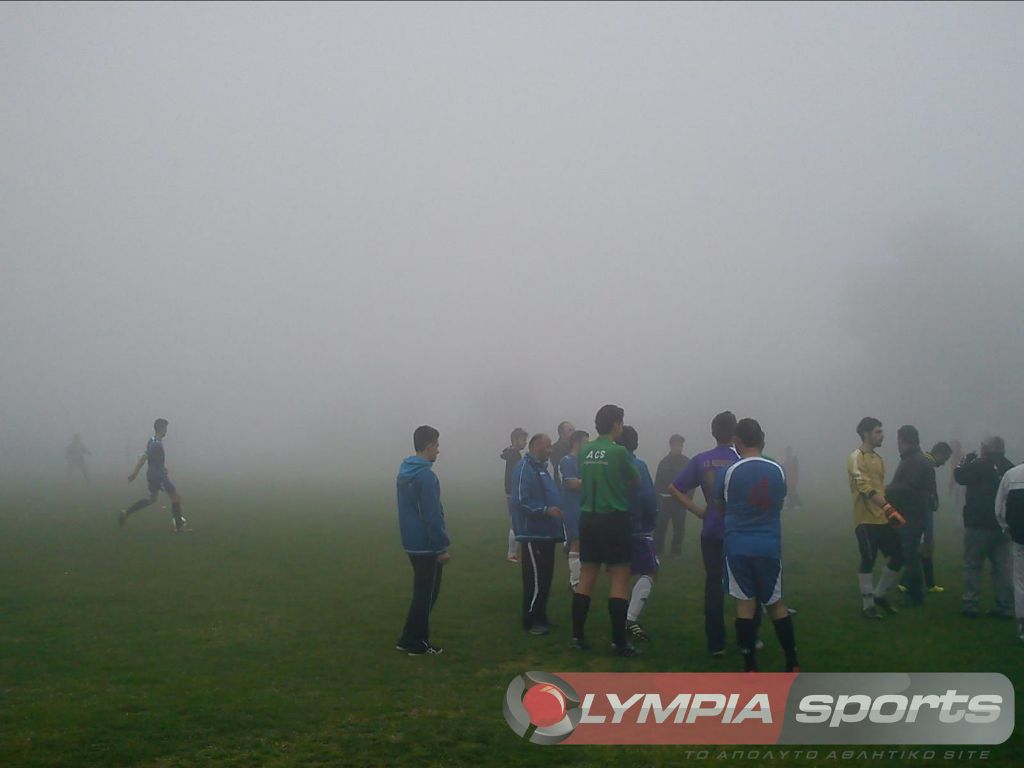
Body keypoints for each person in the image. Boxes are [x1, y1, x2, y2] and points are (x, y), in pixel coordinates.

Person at [715, 418, 799, 672]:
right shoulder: (777, 470)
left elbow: (720, 507)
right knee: (776, 604)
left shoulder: (729, 471)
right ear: (761, 439)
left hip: (738, 547)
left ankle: (750, 667)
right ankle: (792, 662)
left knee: (744, 605)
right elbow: (779, 502)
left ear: (737, 442)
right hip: (769, 546)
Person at [668, 411, 740, 657]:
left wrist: (699, 511)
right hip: (740, 531)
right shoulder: (743, 459)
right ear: (735, 433)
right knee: (745, 585)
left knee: (713, 585)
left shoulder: (701, 459)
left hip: (711, 530)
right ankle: (749, 638)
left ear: (713, 432)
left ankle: (716, 643)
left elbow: (674, 487)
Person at [572, 404, 641, 657]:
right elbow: (636, 479)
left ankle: (578, 636)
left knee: (587, 576)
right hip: (613, 519)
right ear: (616, 424)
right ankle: (619, 642)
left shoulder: (585, 451)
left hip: (588, 518)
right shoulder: (619, 452)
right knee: (619, 578)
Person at [395, 425, 449, 656]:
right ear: (428, 446)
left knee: (422, 591)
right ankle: (417, 643)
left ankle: (408, 637)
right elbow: (431, 514)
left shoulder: (405, 471)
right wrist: (441, 546)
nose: (438, 450)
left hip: (411, 540)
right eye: (436, 445)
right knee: (426, 594)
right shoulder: (425, 476)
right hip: (426, 544)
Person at [848, 417, 905, 620]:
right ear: (866, 434)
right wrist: (888, 507)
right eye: (878, 432)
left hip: (882, 519)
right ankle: (868, 605)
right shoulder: (856, 457)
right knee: (868, 560)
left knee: (899, 555)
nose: (882, 436)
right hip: (865, 520)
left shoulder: (878, 459)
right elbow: (863, 487)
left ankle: (879, 594)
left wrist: (890, 509)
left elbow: (880, 488)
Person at [954, 436, 1014, 619]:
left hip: (978, 523)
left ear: (986, 448)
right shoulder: (1009, 467)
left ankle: (970, 603)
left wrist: (964, 461)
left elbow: (960, 476)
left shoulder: (980, 464)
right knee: (1002, 567)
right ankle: (1006, 605)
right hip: (1003, 524)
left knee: (973, 564)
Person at [511, 433, 564, 635]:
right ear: (535, 446)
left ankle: (541, 616)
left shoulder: (541, 468)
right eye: (547, 446)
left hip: (547, 533)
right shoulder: (524, 468)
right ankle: (530, 620)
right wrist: (544, 510)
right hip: (533, 533)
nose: (550, 450)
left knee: (545, 577)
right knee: (534, 577)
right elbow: (520, 500)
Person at [884, 425, 936, 607]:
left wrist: (886, 490)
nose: (897, 445)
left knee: (911, 556)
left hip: (912, 515)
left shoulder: (914, 461)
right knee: (909, 555)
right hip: (914, 514)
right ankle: (914, 593)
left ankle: (915, 595)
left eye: (898, 441)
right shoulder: (914, 459)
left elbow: (909, 488)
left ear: (904, 440)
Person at [616, 426, 658, 642]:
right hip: (638, 527)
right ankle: (630, 618)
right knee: (650, 570)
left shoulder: (609, 466)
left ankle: (618, 623)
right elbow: (647, 497)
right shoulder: (638, 465)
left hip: (613, 526)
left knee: (620, 575)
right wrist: (652, 519)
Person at [900, 441, 952, 593]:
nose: (944, 464)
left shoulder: (924, 463)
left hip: (921, 512)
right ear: (939, 454)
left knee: (925, 547)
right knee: (923, 547)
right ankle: (906, 583)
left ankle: (929, 584)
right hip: (921, 514)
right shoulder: (926, 465)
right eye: (946, 459)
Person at [119, 419, 189, 532]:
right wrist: (134, 473)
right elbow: (144, 457)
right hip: (158, 476)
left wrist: (162, 467)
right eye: (165, 428)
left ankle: (126, 512)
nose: (166, 431)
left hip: (153, 474)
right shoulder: (156, 444)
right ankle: (179, 527)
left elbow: (153, 459)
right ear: (161, 429)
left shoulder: (152, 440)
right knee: (175, 497)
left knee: (152, 499)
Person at [995, 462, 1024, 642]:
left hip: (1019, 537)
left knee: (1020, 581)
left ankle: (1022, 625)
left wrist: (1008, 529)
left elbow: (999, 509)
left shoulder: (1012, 475)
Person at [558, 429, 589, 592]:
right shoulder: (567, 460)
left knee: (584, 542)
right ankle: (574, 580)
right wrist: (593, 481)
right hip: (571, 507)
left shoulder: (584, 461)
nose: (587, 445)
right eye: (585, 442)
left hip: (585, 506)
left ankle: (582, 577)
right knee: (575, 541)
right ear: (576, 442)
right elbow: (572, 484)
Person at [654, 434, 690, 558]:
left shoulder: (686, 462)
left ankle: (676, 552)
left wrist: (687, 499)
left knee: (679, 528)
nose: (679, 447)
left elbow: (692, 482)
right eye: (677, 444)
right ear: (671, 445)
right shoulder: (664, 462)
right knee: (660, 526)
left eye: (681, 445)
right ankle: (657, 551)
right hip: (664, 500)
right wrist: (657, 498)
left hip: (680, 501)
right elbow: (657, 482)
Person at [501, 428, 529, 563]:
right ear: (515, 440)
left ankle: (519, 549)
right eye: (523, 439)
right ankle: (511, 553)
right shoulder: (515, 455)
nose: (525, 442)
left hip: (511, 491)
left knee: (518, 520)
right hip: (513, 492)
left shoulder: (512, 453)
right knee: (515, 521)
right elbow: (516, 475)